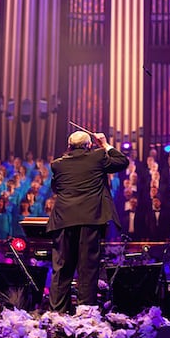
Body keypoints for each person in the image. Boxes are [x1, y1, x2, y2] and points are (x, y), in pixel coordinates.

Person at [46, 130, 128, 313]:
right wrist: (105, 144)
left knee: (62, 269)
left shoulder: (57, 164)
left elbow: (56, 187)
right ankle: (85, 315)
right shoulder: (98, 156)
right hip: (90, 219)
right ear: (88, 145)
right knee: (87, 268)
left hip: (63, 220)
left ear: (69, 146)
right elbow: (122, 161)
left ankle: (56, 313)